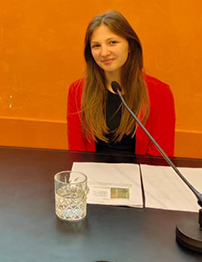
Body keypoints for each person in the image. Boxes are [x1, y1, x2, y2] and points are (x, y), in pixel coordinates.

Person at [67, 11, 175, 156]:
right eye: (96, 46)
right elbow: (77, 154)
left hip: (141, 170)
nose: (104, 53)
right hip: (93, 170)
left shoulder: (160, 93)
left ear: (130, 45)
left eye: (112, 43)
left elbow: (160, 158)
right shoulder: (77, 91)